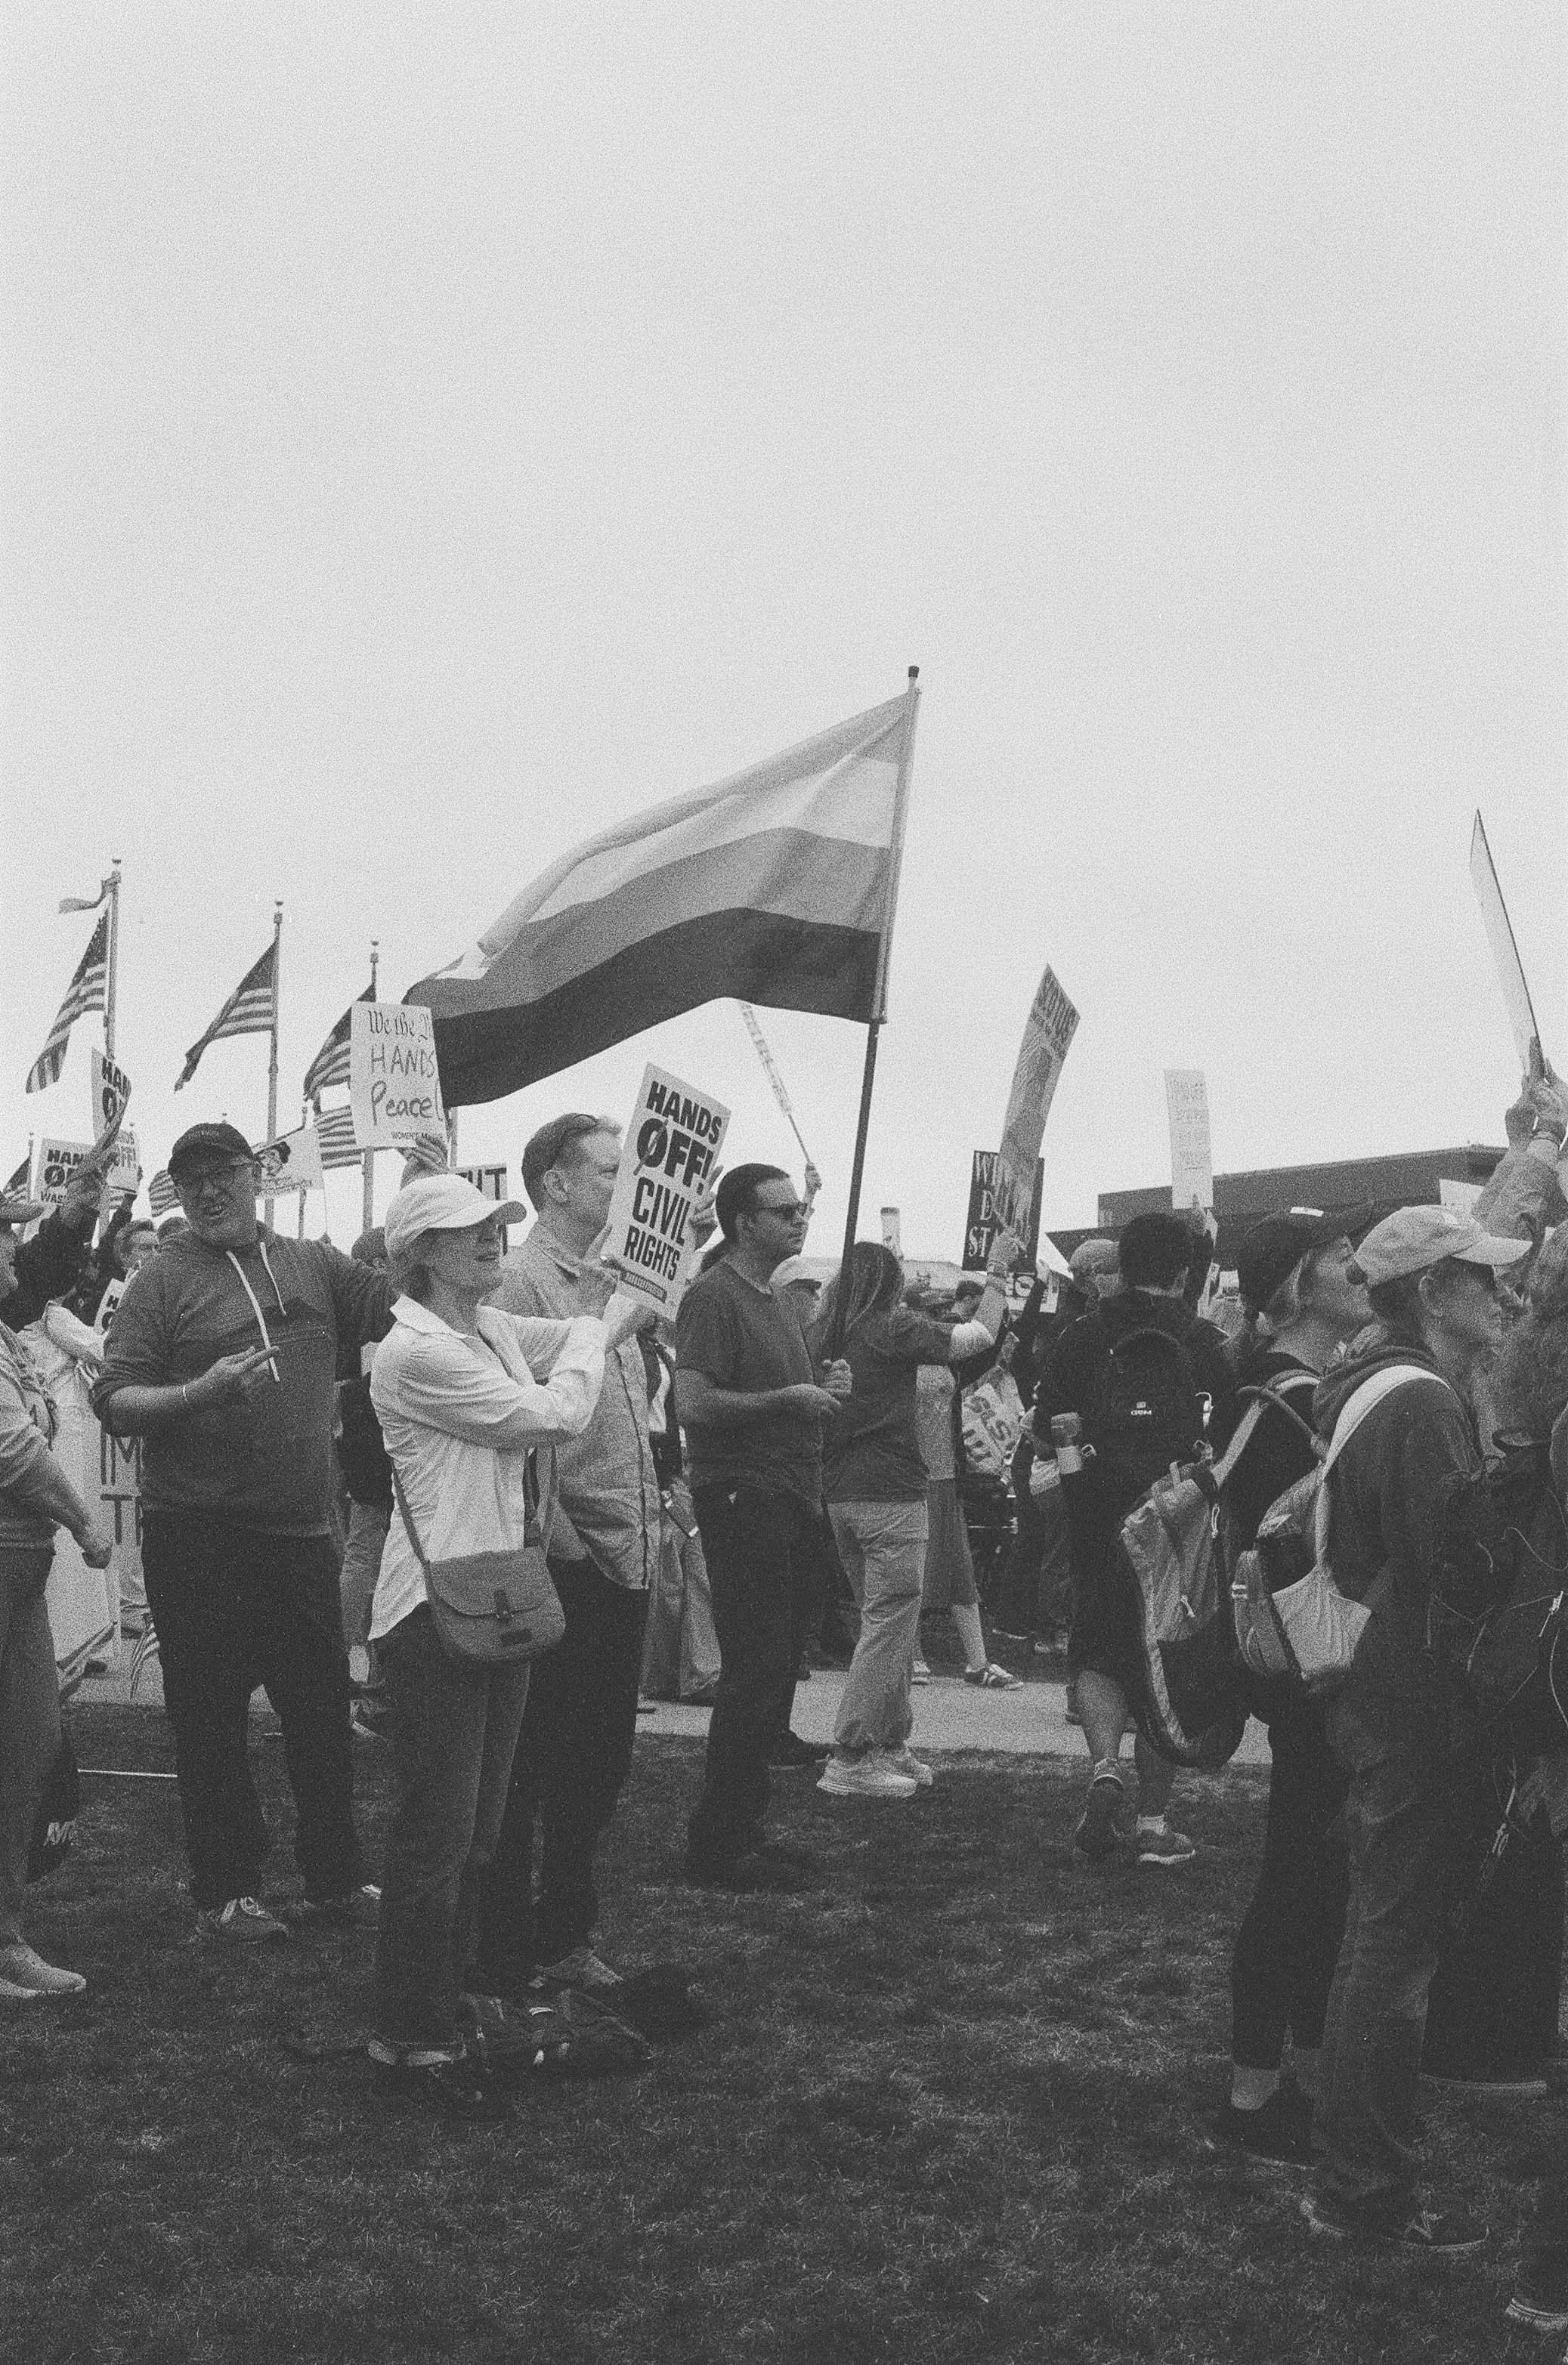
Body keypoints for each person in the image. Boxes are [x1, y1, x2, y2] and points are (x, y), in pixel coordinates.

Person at [367, 1170, 638, 2115]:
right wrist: (609, 1323)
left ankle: (449, 2006)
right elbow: (556, 1412)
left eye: (494, 1225)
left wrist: (604, 1315)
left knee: (479, 1830)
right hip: (433, 1608)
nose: (491, 1239)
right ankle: (408, 2030)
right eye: (467, 1231)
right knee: (438, 1833)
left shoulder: (481, 1329)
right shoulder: (416, 1353)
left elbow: (568, 1338)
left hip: (493, 1597)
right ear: (420, 1253)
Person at [94, 1122, 396, 1942]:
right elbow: (116, 1399)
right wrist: (200, 1392)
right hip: (197, 1535)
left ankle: (335, 1877)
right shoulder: (161, 1279)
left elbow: (402, 1304)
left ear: (255, 1173)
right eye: (190, 1181)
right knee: (210, 1719)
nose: (207, 1192)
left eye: (222, 1173)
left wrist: (418, 1197)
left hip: (301, 1532)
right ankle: (226, 1891)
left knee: (320, 1713)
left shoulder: (314, 1262)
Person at [1300, 1204, 1528, 2255]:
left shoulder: (1365, 1379)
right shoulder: (1423, 1402)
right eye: (1478, 1277)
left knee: (1376, 1939)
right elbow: (1459, 1575)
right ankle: (1362, 2191)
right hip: (1421, 1706)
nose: (1500, 1293)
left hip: (1373, 1696)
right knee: (1389, 1952)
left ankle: (1355, 2177)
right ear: (1431, 1290)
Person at [469, 1112, 659, 1999]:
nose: (623, 1187)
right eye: (609, 1170)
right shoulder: (518, 1279)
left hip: (622, 1549)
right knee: (536, 1762)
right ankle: (510, 1944)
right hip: (563, 1554)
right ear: (554, 1181)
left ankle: (564, 1931)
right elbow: (525, 1416)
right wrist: (564, 1535)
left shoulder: (610, 1278)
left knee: (597, 1762)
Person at [1208, 1210, 1372, 2166]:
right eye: (1342, 1260)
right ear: (1296, 1280)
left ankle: (1291, 2072)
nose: (1358, 1271)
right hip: (1307, 1665)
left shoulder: (1269, 1386)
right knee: (1296, 1869)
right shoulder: (1292, 1398)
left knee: (1314, 1868)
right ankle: (1251, 2090)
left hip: (1297, 1664)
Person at [1040, 1210, 1234, 1869]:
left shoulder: (1081, 1335)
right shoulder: (1206, 1341)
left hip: (1097, 1516)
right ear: (1184, 1270)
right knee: (1166, 1664)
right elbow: (1226, 1440)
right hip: (1173, 1525)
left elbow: (1048, 1430)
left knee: (1098, 1651)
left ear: (1123, 1262)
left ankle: (1103, 1767)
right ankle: (1152, 1822)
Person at [677, 1164, 851, 1890]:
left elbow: (787, 1395)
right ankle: (719, 1841)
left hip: (789, 1499)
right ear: (743, 1222)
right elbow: (693, 1403)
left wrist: (821, 1388)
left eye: (802, 1208)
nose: (799, 1219)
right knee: (753, 1671)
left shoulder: (777, 1300)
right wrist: (787, 1397)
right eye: (783, 1211)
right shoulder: (713, 1297)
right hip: (743, 1498)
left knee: (777, 1667)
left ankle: (744, 1827)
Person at [812, 1235, 1018, 1801]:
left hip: (841, 1494)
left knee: (889, 1624)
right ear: (887, 1279)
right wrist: (996, 1274)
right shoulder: (891, 1327)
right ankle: (852, 1753)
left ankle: (888, 1740)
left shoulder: (821, 1332)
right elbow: (977, 1336)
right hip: (893, 1491)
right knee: (887, 1627)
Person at [0, 1222, 113, 2000]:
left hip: (21, 1566)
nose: (12, 1251)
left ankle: (5, 1933)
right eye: (1, 1240)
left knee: (29, 1743)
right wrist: (81, 1517)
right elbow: (10, 1449)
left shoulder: (9, 1336)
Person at [336, 1228, 394, 1739]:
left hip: (363, 1433)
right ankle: (354, 1668)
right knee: (366, 1551)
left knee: (363, 1550)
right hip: (374, 1433)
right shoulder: (373, 1311)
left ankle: (356, 1669)